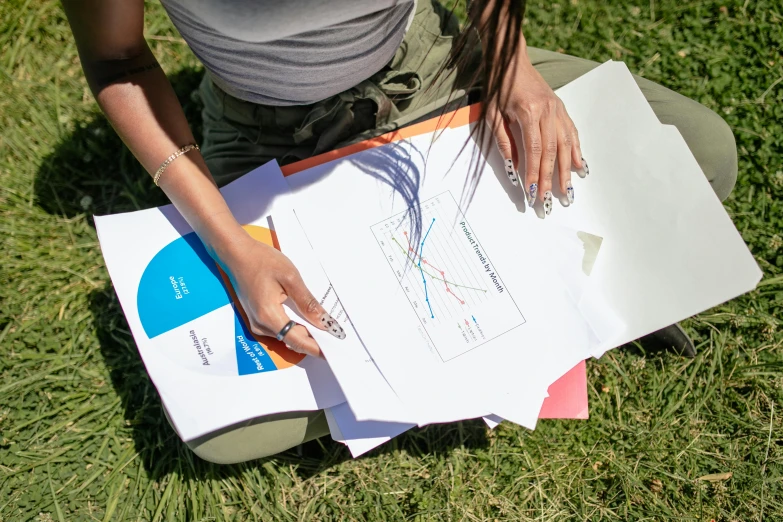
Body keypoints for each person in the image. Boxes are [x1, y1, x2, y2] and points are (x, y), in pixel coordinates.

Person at [63, 0, 737, 464]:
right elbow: (118, 62)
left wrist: (514, 76)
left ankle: (488, 340)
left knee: (698, 151)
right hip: (273, 137)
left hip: (434, 70)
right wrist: (230, 245)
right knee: (228, 431)